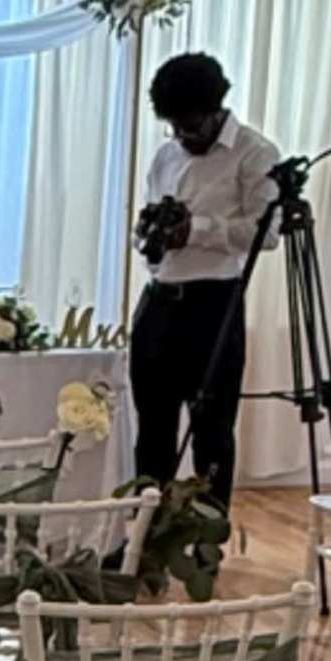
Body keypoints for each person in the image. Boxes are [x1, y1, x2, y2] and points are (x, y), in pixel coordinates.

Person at [127, 51, 280, 495]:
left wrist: (197, 230)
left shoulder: (254, 153)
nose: (180, 134)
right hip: (158, 302)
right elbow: (153, 238)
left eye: (189, 125)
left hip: (213, 305)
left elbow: (265, 233)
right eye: (173, 125)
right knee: (152, 430)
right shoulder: (165, 156)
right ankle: (145, 538)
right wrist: (149, 237)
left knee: (211, 431)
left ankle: (205, 545)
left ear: (216, 111)